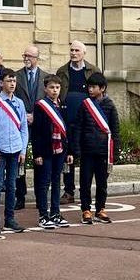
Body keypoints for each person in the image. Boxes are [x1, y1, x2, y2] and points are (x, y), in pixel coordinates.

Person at [70, 73, 119, 225]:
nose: (90, 90)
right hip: (87, 150)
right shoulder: (85, 105)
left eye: (93, 87)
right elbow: (78, 128)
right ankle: (86, 209)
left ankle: (100, 209)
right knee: (85, 181)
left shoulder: (110, 105)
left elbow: (115, 130)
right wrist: (76, 148)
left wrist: (115, 152)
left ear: (102, 88)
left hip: (103, 150)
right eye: (89, 87)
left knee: (102, 183)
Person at [56, 40, 100, 203]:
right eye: (72, 50)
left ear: (84, 53)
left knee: (86, 156)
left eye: (77, 50)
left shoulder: (93, 71)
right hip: (67, 120)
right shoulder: (62, 71)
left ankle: (85, 190)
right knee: (68, 156)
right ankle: (68, 191)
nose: (73, 53)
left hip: (86, 121)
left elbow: (100, 93)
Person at [0, 69, 28, 235]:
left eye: (14, 81)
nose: (12, 84)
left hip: (16, 149)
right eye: (8, 81)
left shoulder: (19, 103)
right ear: (1, 83)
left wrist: (23, 150)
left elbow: (24, 127)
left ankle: (10, 219)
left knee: (12, 186)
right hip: (0, 150)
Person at [32, 75, 72, 229]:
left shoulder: (63, 105)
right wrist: (37, 154)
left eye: (57, 88)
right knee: (44, 183)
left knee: (57, 182)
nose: (55, 91)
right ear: (45, 89)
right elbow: (37, 132)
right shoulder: (41, 106)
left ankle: (55, 213)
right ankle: (43, 215)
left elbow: (67, 130)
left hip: (60, 149)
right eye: (51, 87)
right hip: (46, 150)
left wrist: (69, 151)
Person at [12, 44, 48, 210]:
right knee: (21, 159)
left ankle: (41, 195)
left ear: (36, 58)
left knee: (40, 159)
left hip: (40, 125)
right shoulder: (16, 76)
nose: (26, 58)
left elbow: (48, 101)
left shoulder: (46, 78)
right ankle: (20, 196)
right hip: (21, 124)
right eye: (24, 55)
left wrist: (35, 115)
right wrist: (24, 115)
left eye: (30, 56)